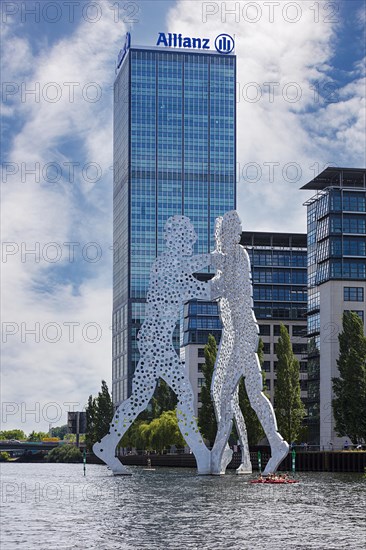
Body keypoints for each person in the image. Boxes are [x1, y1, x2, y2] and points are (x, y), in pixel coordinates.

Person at [93, 216, 212, 475]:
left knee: (138, 399)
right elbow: (202, 289)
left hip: (151, 341)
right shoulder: (167, 266)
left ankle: (107, 444)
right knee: (186, 393)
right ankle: (201, 455)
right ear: (175, 240)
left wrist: (215, 258)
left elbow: (194, 264)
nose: (192, 243)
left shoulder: (172, 263)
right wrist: (222, 276)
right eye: (188, 239)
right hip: (156, 341)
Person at [210, 211, 289, 476]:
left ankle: (218, 455)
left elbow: (226, 286)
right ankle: (276, 443)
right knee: (254, 394)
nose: (219, 240)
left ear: (231, 234)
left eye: (222, 234)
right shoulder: (229, 261)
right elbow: (215, 288)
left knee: (225, 395)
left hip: (244, 333)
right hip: (241, 334)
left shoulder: (237, 255)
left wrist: (205, 263)